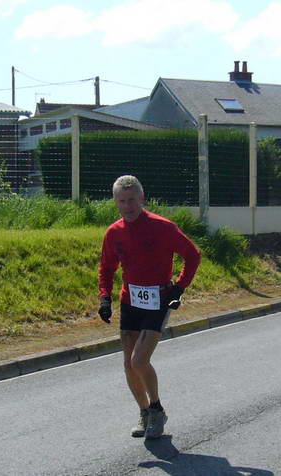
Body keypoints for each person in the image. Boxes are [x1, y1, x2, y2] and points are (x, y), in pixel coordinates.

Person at [98, 175, 201, 440]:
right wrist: (105, 298)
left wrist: (179, 288)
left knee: (139, 360)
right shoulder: (114, 232)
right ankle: (144, 412)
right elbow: (107, 267)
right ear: (116, 202)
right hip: (130, 300)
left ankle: (156, 409)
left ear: (142, 199)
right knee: (128, 365)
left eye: (132, 200)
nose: (128, 206)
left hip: (158, 299)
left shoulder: (163, 227)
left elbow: (192, 255)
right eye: (122, 201)